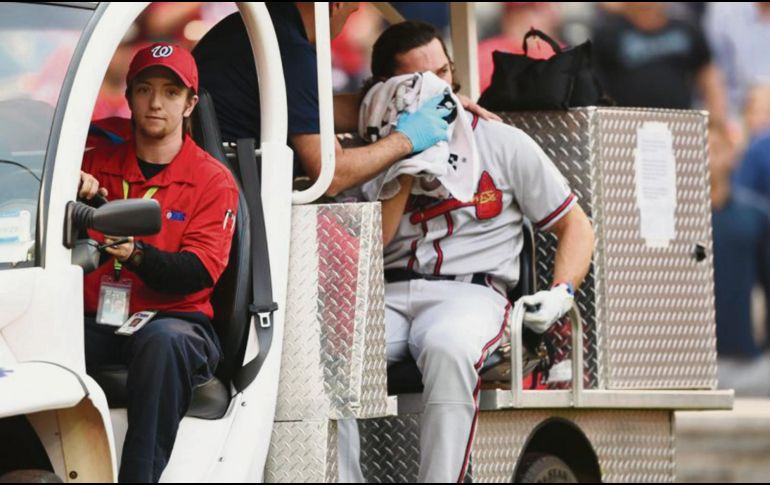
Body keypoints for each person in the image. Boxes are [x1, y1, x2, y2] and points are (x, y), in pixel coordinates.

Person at [339, 21, 595, 483]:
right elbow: (367, 250)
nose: (439, 94)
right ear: (386, 89)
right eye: (419, 85)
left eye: (443, 76)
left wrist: (561, 292)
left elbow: (575, 224)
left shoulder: (499, 140)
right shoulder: (368, 151)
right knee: (332, 352)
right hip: (386, 292)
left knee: (448, 346)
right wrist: (406, 156)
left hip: (469, 292)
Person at [78, 42, 239, 482]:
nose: (155, 103)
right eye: (144, 89)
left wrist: (135, 254)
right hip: (94, 319)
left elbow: (197, 273)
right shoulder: (91, 161)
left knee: (163, 343)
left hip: (174, 321)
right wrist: (65, 189)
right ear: (128, 96)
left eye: (170, 92)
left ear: (190, 104)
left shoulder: (213, 180)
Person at [193, 3, 496, 196]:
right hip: (238, 198)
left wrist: (433, 100)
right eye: (352, 10)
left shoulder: (265, 30)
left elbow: (313, 112)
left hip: (219, 183)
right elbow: (331, 173)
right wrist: (407, 138)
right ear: (335, 4)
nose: (350, 19)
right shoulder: (292, 51)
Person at [709, 123, 770, 396]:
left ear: (732, 155)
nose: (708, 158)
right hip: (688, 366)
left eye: (715, 149)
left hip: (747, 364)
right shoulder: (668, 224)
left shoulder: (755, 217)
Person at [592, 3, 727, 126]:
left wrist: (716, 121)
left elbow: (708, 75)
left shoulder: (686, 29)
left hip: (679, 125)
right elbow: (598, 88)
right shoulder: (608, 34)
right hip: (628, 128)